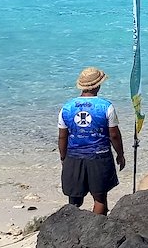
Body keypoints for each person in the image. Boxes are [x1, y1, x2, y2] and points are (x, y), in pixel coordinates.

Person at [58, 67, 125, 216]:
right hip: (99, 157)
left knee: (74, 200)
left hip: (73, 156)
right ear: (98, 85)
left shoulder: (67, 107)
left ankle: (71, 227)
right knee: (100, 199)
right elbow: (114, 135)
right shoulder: (106, 106)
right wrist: (120, 154)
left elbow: (62, 136)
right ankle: (97, 231)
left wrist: (63, 157)